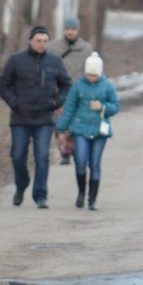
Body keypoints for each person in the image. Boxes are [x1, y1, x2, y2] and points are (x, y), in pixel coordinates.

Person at [0, 25, 71, 209]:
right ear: (31, 41)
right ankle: (21, 185)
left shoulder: (55, 61)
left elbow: (66, 85)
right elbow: (3, 85)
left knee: (42, 156)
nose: (42, 44)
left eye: (45, 41)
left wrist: (57, 102)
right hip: (20, 118)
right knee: (18, 156)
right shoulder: (16, 60)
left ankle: (40, 195)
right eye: (38, 41)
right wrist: (15, 102)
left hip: (44, 118)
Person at [56, 52, 119, 210]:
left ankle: (92, 199)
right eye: (89, 74)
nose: (91, 77)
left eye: (94, 75)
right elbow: (69, 108)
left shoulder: (107, 86)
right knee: (80, 161)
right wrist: (62, 129)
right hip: (80, 129)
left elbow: (115, 106)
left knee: (95, 164)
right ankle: (81, 192)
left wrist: (102, 107)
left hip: (99, 130)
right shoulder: (78, 87)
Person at [48, 16, 94, 165]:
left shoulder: (86, 48)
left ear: (78, 30)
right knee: (61, 122)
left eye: (73, 29)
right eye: (67, 29)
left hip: (79, 89)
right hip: (60, 90)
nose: (70, 32)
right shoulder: (53, 47)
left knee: (77, 121)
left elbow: (91, 69)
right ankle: (65, 151)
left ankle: (76, 149)